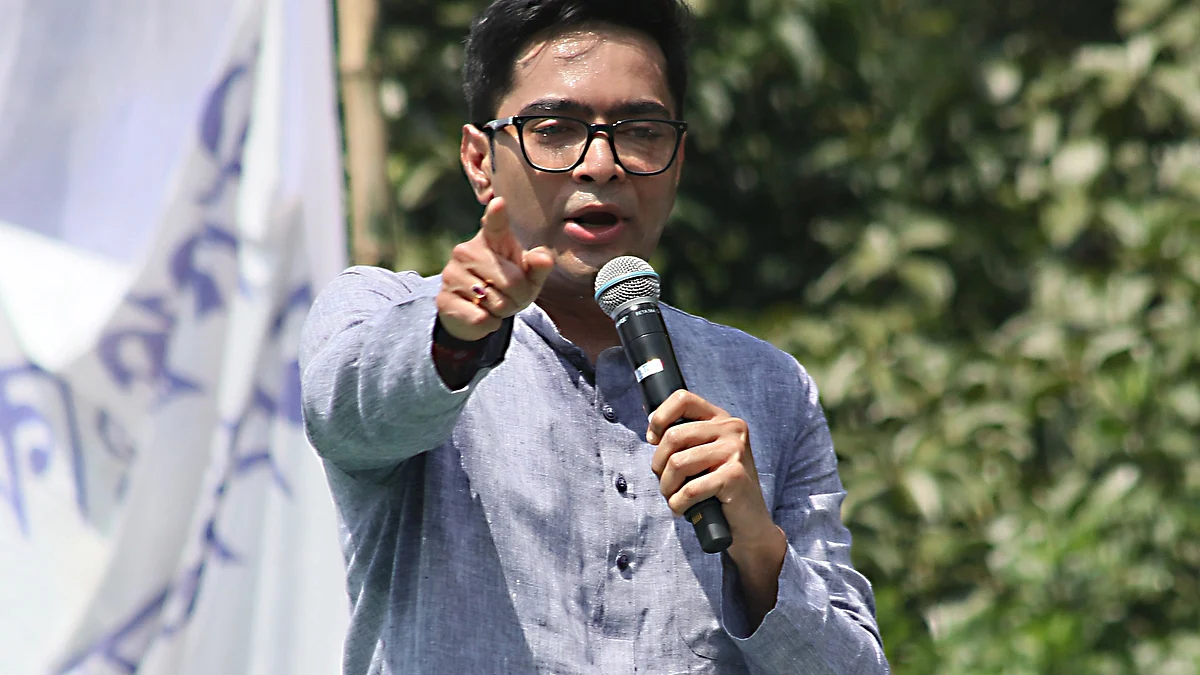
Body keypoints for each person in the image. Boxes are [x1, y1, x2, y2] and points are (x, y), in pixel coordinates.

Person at [300, 0, 890, 672]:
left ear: (677, 159)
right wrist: (454, 338)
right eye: (555, 128)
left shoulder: (770, 387)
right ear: (479, 160)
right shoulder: (381, 311)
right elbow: (346, 415)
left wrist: (759, 551)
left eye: (640, 130)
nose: (602, 163)